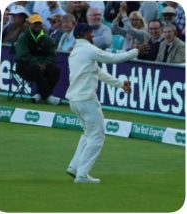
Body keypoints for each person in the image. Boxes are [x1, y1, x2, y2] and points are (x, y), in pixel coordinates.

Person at [66, 23, 138, 184]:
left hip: (74, 101)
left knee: (88, 133)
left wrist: (120, 84)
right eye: (91, 33)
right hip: (86, 100)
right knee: (97, 136)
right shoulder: (89, 49)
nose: (93, 35)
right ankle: (82, 175)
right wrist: (135, 51)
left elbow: (99, 73)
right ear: (84, 34)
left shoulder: (76, 52)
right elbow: (113, 58)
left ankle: (74, 167)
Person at [15, 14, 61, 105]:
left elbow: (52, 55)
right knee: (35, 67)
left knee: (55, 70)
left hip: (41, 65)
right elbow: (23, 55)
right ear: (29, 24)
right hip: (24, 67)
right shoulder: (23, 37)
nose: (37, 26)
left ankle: (39, 95)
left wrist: (45, 64)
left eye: (39, 23)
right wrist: (38, 63)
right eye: (34, 23)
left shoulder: (46, 38)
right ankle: (48, 96)